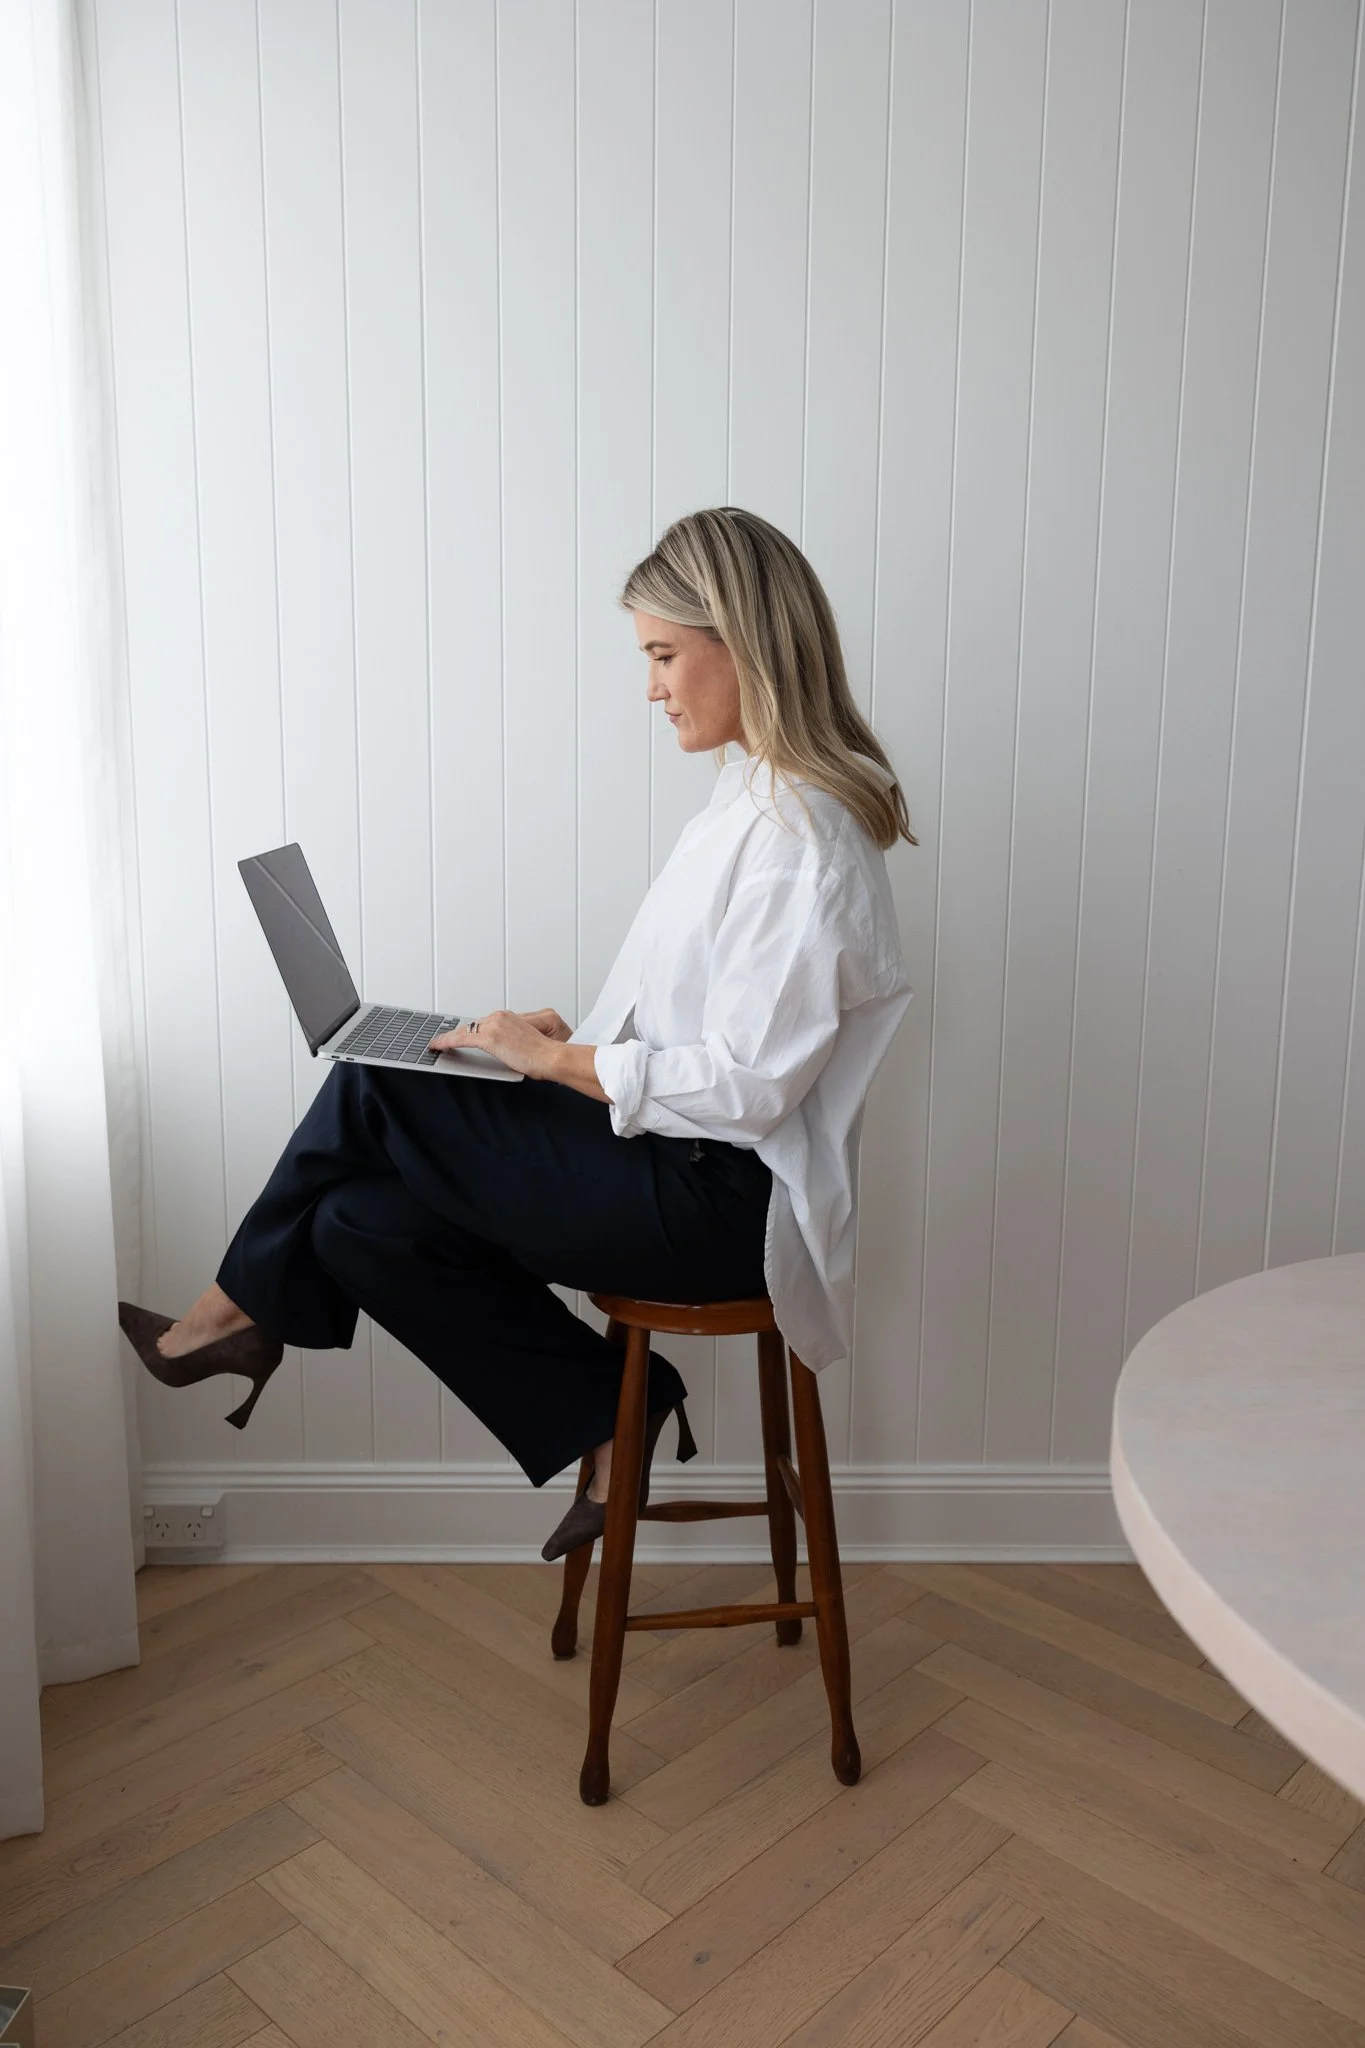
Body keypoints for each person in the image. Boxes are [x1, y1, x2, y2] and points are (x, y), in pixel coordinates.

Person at [117, 506, 916, 1562]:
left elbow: (747, 1088)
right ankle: (605, 1416)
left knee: (379, 1084)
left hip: (727, 1201)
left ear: (746, 642)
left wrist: (556, 1065)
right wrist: (560, 1043)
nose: (652, 687)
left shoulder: (798, 836)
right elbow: (700, 1026)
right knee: (353, 1219)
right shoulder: (742, 803)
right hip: (671, 1158)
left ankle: (228, 1312)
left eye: (665, 654)